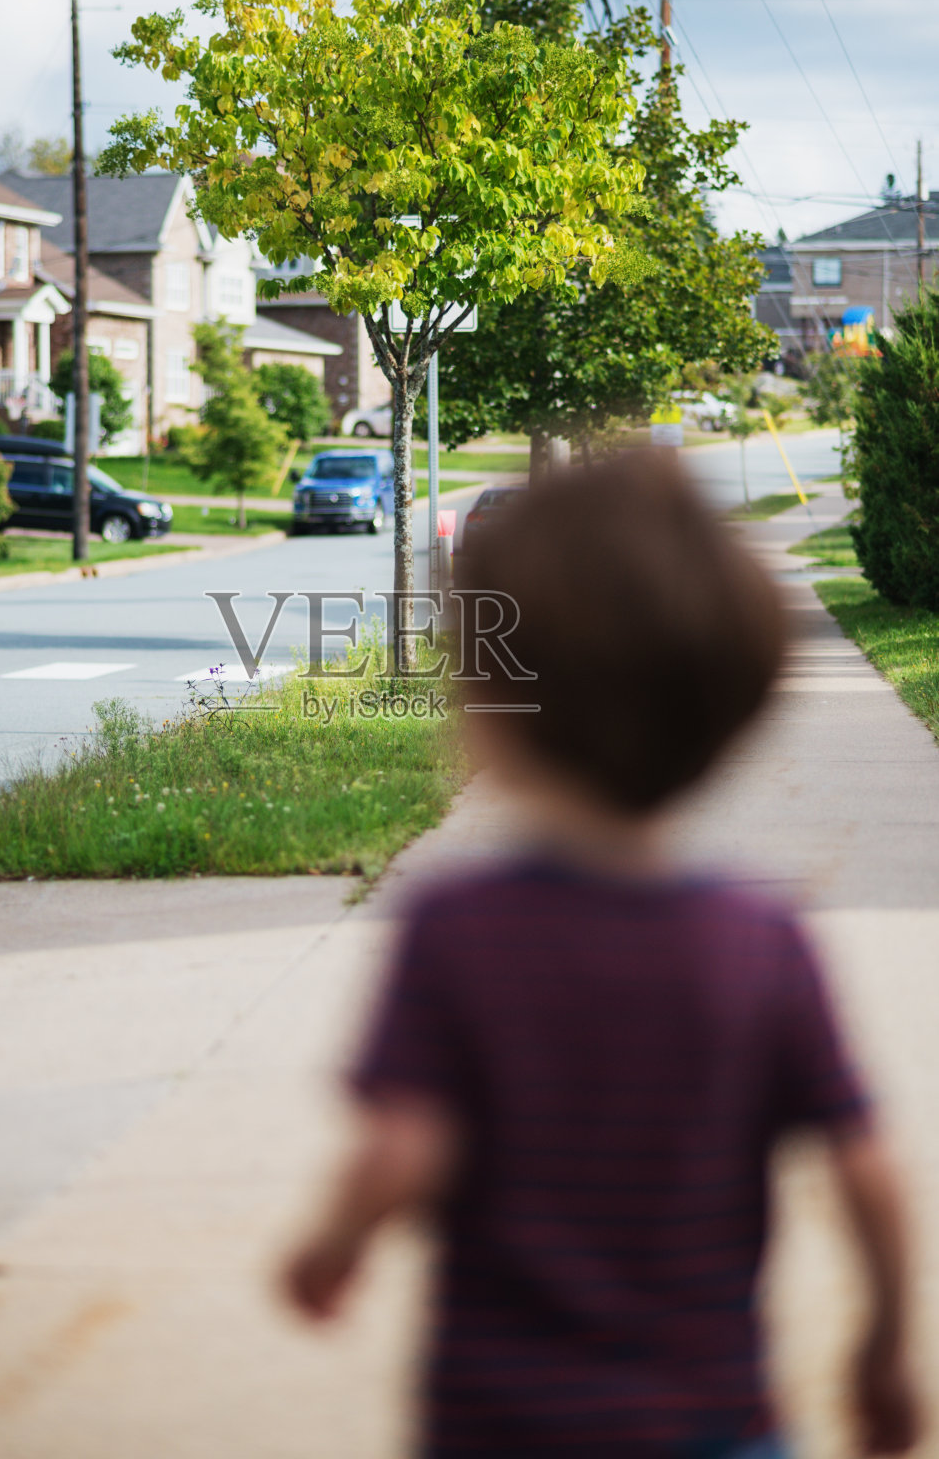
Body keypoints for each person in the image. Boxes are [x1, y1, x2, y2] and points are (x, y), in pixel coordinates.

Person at [283, 452, 921, 1458]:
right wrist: (883, 1346)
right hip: (715, 1420)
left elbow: (404, 1147)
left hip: (505, 1422)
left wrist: (331, 1248)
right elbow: (864, 1168)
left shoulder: (458, 932)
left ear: (487, 709)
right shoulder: (759, 943)